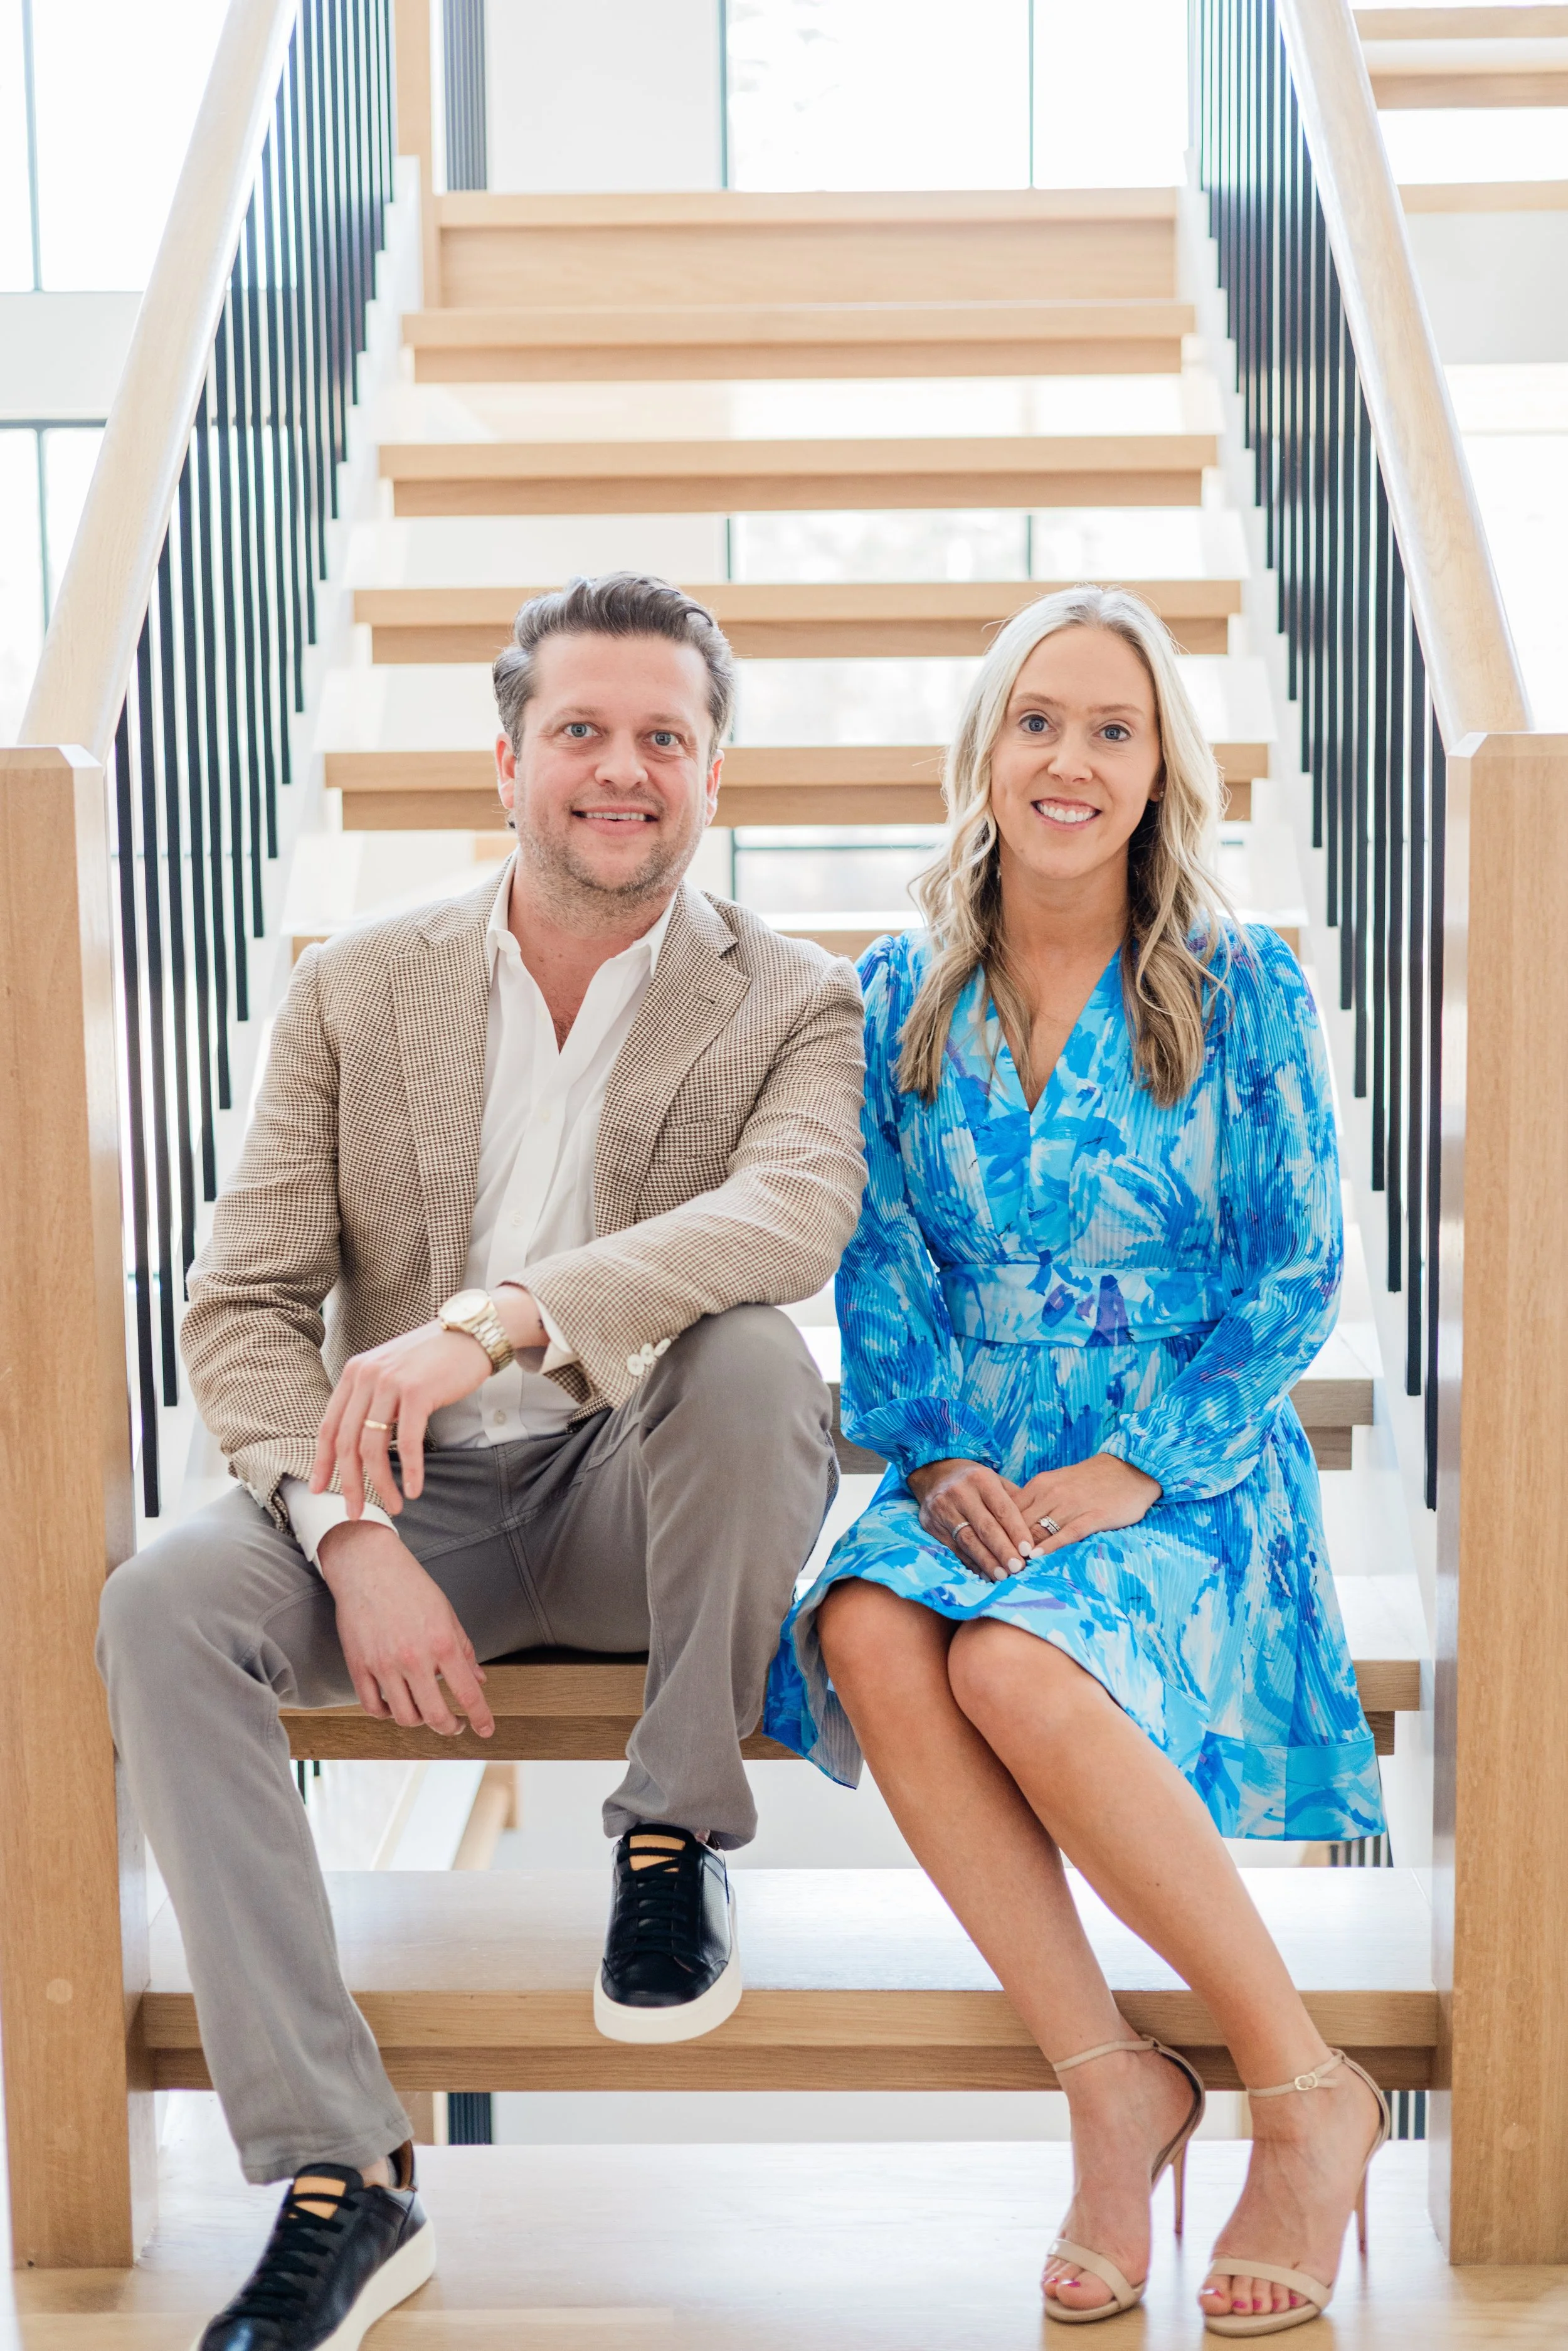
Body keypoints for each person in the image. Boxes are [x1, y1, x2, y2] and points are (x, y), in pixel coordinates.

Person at [97, 574, 866, 2351]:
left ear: (713, 775)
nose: (621, 770)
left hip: (631, 1493)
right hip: (408, 1502)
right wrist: (350, 1530)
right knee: (159, 1606)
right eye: (581, 732)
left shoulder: (793, 1000)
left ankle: (673, 1831)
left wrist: (502, 1316)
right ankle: (338, 2176)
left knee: (755, 1359)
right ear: (506, 759)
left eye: (662, 737)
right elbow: (244, 1307)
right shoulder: (360, 987)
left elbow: (792, 1212)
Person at [764, 586, 1390, 2338]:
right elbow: (875, 1257)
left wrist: (1139, 1463)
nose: (1069, 758)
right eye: (1038, 720)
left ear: (1156, 766)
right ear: (984, 749)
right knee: (872, 1630)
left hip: (1179, 1466)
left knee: (1015, 1661)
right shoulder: (887, 993)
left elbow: (1293, 1270)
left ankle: (1296, 2083)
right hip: (977, 1446)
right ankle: (1110, 2076)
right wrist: (938, 1446)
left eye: (1111, 728)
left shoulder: (1240, 981)